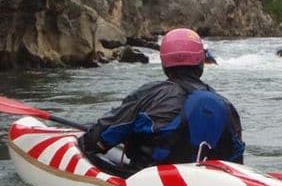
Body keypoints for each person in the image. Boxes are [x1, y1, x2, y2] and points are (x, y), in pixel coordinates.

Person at [78, 28, 245, 173]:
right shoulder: (225, 105)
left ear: (165, 63)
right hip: (211, 184)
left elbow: (97, 140)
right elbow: (237, 161)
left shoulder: (149, 94)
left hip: (148, 181)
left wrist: (87, 141)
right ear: (201, 62)